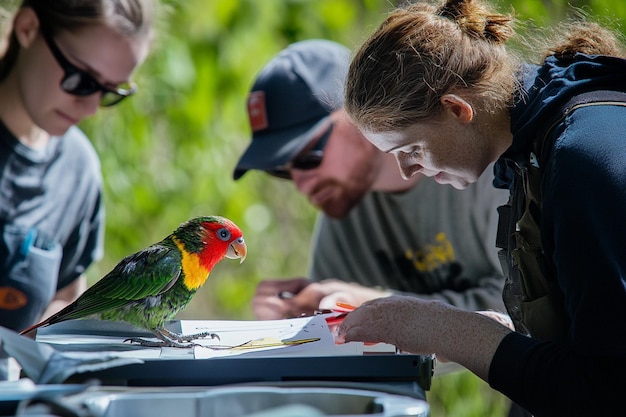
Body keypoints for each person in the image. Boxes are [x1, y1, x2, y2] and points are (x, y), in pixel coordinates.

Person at [337, 0, 626, 415]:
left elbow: (608, 388)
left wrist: (456, 332)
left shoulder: (582, 156)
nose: (405, 172)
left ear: (457, 109)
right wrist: (513, 335)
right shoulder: (535, 146)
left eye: (411, 149)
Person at [234, 39, 509, 322]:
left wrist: (378, 309)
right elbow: (336, 350)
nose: (302, 184)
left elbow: (525, 318)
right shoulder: (343, 201)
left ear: (358, 111)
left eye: (308, 156)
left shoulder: (475, 161)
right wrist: (299, 318)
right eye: (282, 171)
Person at [0, 0, 155, 378]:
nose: (89, 108)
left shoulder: (77, 170)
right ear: (27, 28)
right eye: (81, 79)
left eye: (109, 92)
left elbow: (65, 299)